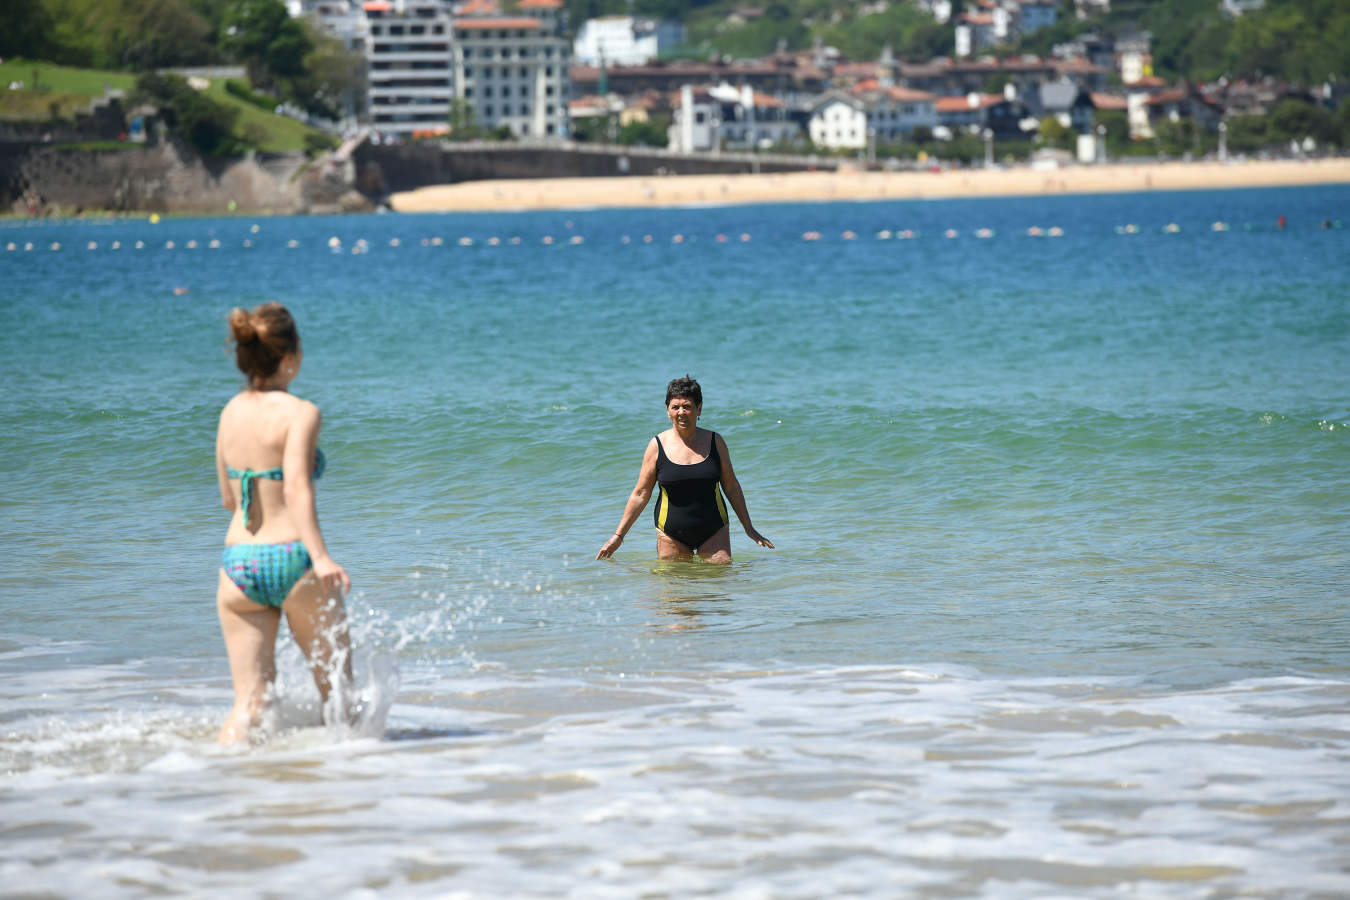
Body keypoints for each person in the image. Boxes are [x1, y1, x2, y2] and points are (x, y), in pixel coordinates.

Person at [215, 302, 352, 744]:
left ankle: (211, 779)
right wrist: (321, 556)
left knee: (249, 704)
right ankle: (354, 789)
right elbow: (296, 488)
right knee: (339, 697)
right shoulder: (300, 412)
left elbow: (227, 498)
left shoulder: (229, 412)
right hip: (293, 559)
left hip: (238, 565)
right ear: (292, 357)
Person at [597, 376, 773, 564]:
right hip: (670, 533)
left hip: (714, 530)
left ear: (699, 409)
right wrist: (619, 535)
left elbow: (731, 487)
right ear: (668, 411)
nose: (681, 412)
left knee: (718, 587)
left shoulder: (715, 442)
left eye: (687, 406)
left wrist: (749, 527)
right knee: (676, 590)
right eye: (675, 407)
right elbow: (641, 493)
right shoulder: (657, 445)